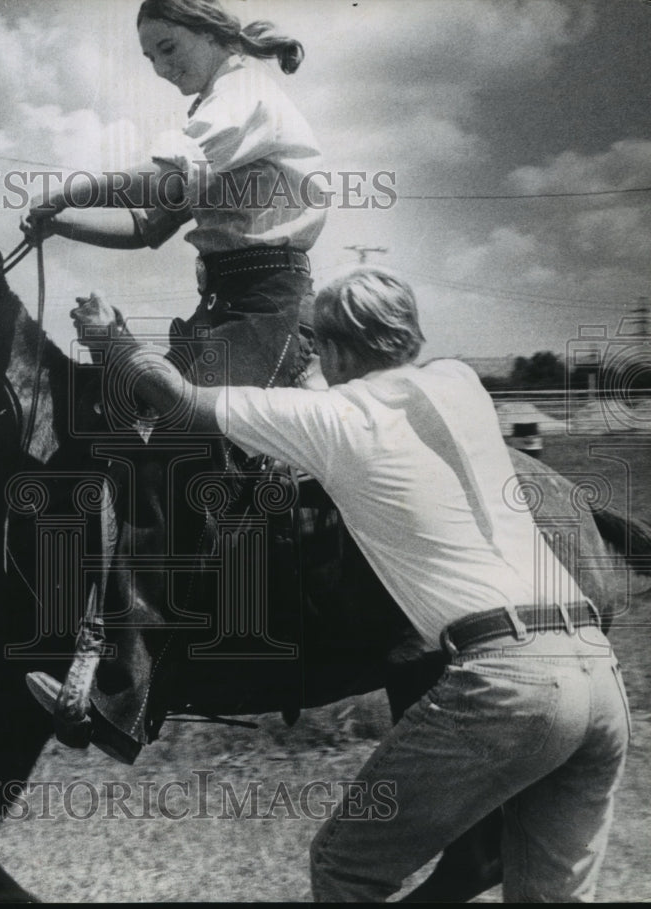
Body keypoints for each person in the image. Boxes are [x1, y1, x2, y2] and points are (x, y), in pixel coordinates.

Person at [63, 268, 632, 902]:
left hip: (509, 684)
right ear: (408, 333)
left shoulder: (333, 419)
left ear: (327, 350)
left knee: (345, 867)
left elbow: (179, 402)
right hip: (597, 679)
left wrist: (108, 340)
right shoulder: (460, 381)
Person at [23, 0, 328, 761]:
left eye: (168, 47)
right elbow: (152, 227)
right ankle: (144, 645)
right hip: (228, 306)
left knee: (166, 447)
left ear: (211, 32)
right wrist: (61, 223)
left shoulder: (241, 94)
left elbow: (160, 188)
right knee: (128, 438)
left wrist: (72, 191)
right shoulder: (221, 106)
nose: (161, 67)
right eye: (151, 58)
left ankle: (123, 691)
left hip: (267, 308)